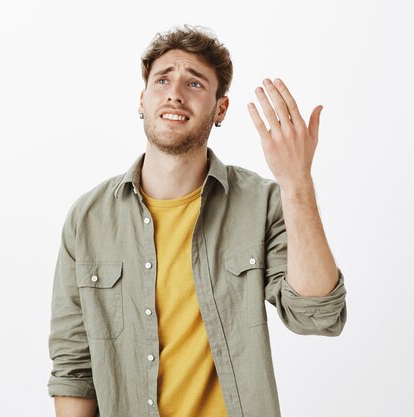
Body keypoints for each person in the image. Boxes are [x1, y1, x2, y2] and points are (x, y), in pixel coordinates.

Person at [47, 24, 347, 417]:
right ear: (142, 99)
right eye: (163, 80)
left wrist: (297, 183)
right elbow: (74, 367)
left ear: (220, 108)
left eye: (195, 84)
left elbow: (317, 316)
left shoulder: (263, 204)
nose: (174, 92)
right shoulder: (88, 219)